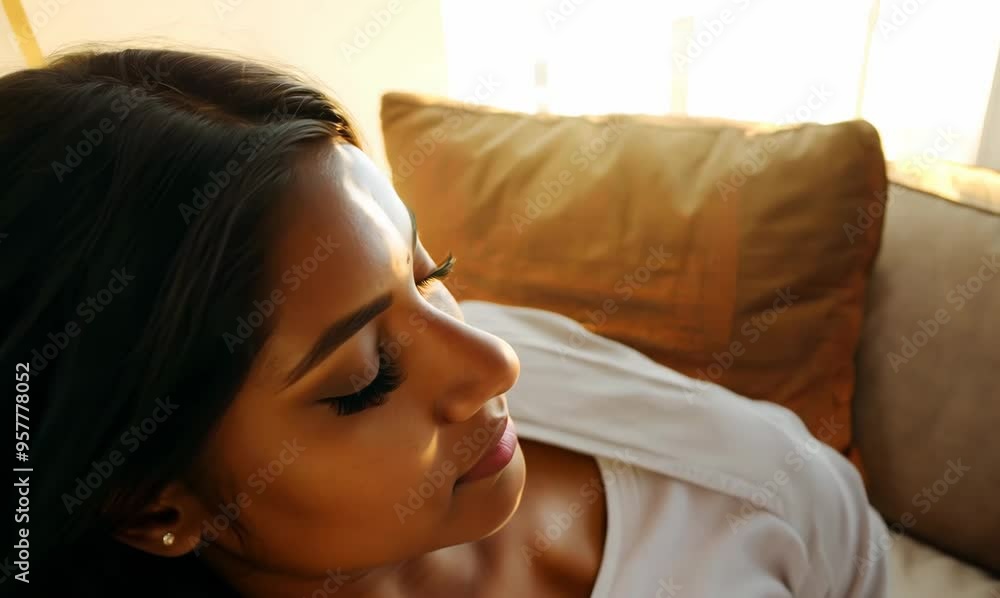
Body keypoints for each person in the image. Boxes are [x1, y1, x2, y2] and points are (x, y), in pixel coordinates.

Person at [0, 46, 888, 597]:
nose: (497, 360)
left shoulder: (536, 355)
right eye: (364, 378)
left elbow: (828, 515)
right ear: (153, 505)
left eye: (431, 275)